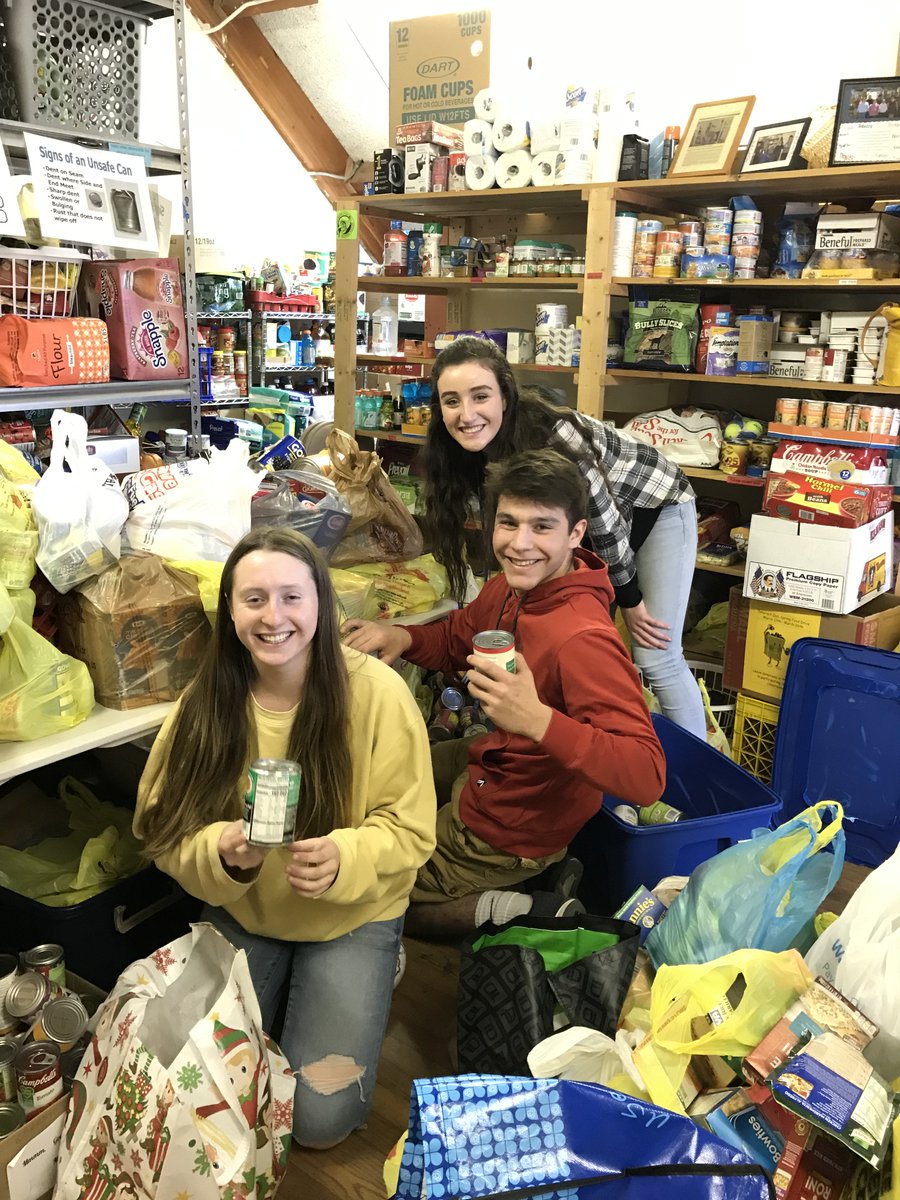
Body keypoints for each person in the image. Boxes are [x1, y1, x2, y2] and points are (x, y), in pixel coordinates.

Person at [133, 527, 436, 1149]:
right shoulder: (207, 703)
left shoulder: (377, 693)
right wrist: (220, 852)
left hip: (353, 916)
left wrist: (346, 857)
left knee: (318, 1122)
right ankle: (305, 989)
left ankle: (377, 962)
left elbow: (410, 829)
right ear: (230, 611)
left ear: (322, 605)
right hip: (246, 914)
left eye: (292, 597)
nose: (274, 617)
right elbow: (161, 829)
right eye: (254, 599)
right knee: (181, 1078)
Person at [343, 449, 666, 940]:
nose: (519, 544)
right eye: (508, 523)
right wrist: (404, 638)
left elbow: (646, 775)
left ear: (576, 533)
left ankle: (526, 907)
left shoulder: (582, 638)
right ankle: (533, 876)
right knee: (377, 772)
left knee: (373, 899)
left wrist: (537, 720)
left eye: (541, 527)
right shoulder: (513, 589)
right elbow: (459, 635)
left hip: (517, 818)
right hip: (490, 763)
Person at [420, 335, 706, 738]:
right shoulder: (459, 448)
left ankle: (691, 782)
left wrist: (631, 600)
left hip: (653, 501)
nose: (466, 414)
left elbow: (603, 518)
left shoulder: (549, 432)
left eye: (480, 396)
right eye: (452, 401)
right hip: (583, 523)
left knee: (656, 653)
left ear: (505, 395)